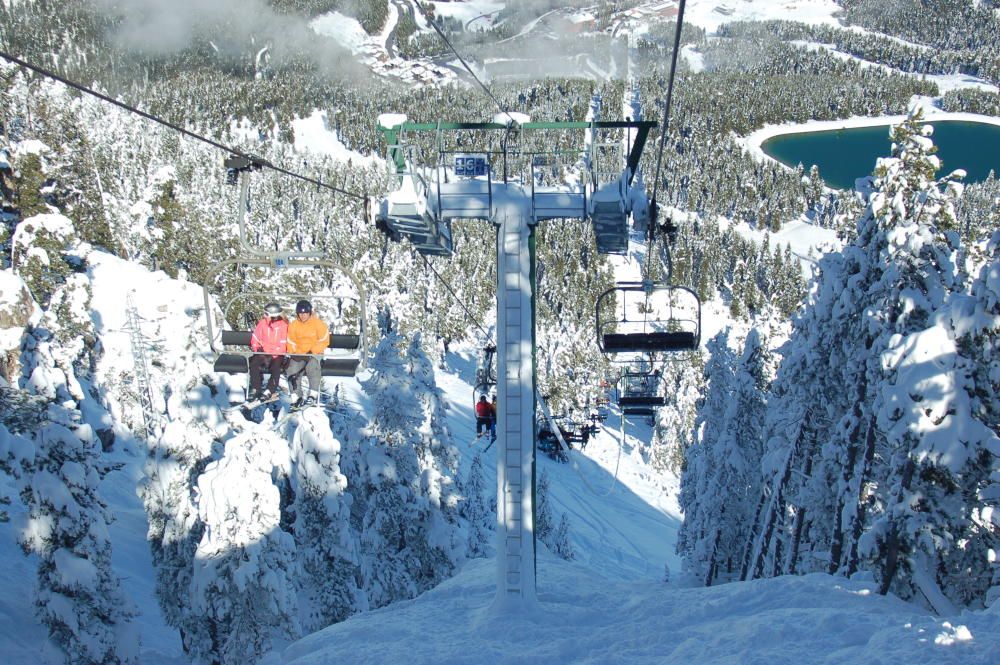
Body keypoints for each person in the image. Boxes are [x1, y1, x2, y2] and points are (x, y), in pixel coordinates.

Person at [285, 299, 329, 408]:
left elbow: (324, 339)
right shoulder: (294, 325)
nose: (303, 316)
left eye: (305, 313)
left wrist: (312, 351)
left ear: (310, 313)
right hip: (299, 354)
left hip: (314, 353)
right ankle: (296, 396)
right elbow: (290, 340)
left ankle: (312, 394)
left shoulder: (318, 324)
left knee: (312, 366)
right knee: (292, 368)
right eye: (301, 313)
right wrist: (295, 353)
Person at [248, 302, 288, 402]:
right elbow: (255, 338)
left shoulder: (284, 326)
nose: (264, 316)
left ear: (272, 315)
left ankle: (270, 390)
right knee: (254, 364)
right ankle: (256, 388)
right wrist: (257, 349)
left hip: (277, 354)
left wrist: (271, 353)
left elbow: (283, 344)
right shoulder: (262, 323)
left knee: (276, 367)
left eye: (266, 314)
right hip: (264, 352)